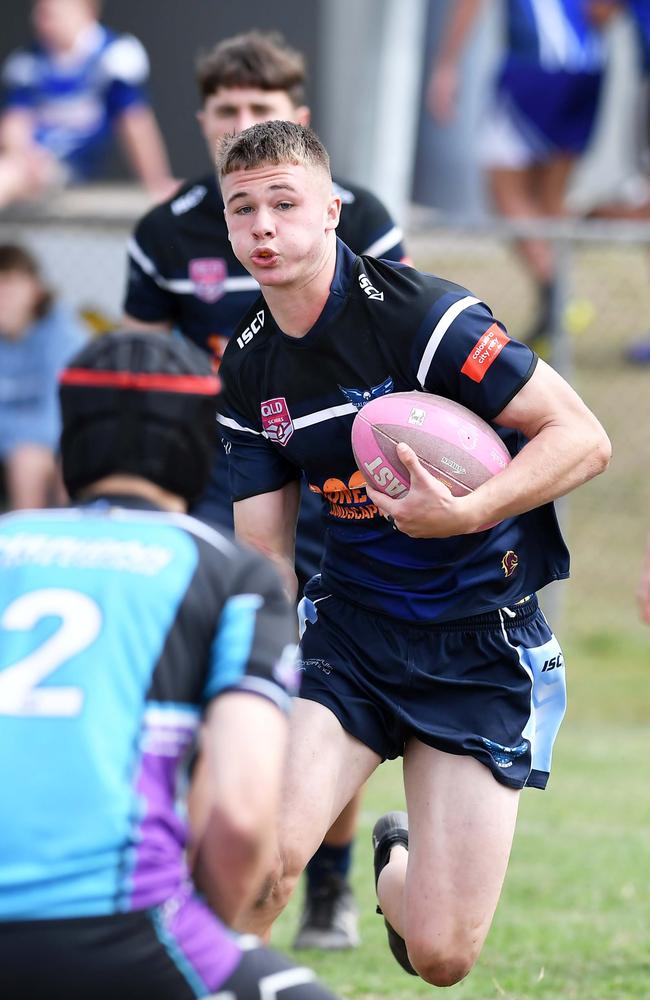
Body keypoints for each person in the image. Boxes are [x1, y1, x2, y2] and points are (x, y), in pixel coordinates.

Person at [215, 119, 611, 986]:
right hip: (349, 639)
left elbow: (582, 438)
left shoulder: (421, 318)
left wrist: (468, 510)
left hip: (479, 643)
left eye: (284, 204)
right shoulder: (249, 367)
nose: (264, 228)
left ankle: (397, 861)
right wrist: (244, 685)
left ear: (332, 212)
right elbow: (263, 554)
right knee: (261, 868)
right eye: (242, 209)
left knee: (442, 955)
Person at [123, 29, 408, 952]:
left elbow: (408, 365)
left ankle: (327, 883)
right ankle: (195, 863)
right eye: (227, 111)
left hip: (346, 478)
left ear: (300, 124)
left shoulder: (356, 212)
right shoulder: (166, 231)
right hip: (221, 481)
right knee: (223, 676)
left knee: (329, 687)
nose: (243, 122)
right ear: (203, 120)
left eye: (262, 108)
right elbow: (142, 378)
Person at [0, 329, 340, 1000]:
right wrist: (206, 931)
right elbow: (242, 815)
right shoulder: (227, 571)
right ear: (196, 445)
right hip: (115, 928)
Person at [427, 0, 607, 349]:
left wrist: (447, 64)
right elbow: (605, 11)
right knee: (551, 198)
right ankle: (558, 304)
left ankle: (557, 292)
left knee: (504, 189)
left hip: (536, 66)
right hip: (590, 66)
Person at [0, 0, 175, 206]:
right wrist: (26, 157)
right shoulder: (26, 61)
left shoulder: (114, 55)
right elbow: (15, 123)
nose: (40, 21)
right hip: (28, 165)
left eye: (51, 12)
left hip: (69, 167)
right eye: (39, 12)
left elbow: (134, 122)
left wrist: (157, 181)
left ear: (87, 10)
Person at [0, 242, 87, 510]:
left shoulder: (64, 335)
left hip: (48, 445)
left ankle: (34, 545)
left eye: (11, 285)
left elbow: (60, 414)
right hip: (14, 441)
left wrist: (20, 440)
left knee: (32, 462)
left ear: (35, 291)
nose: (3, 297)